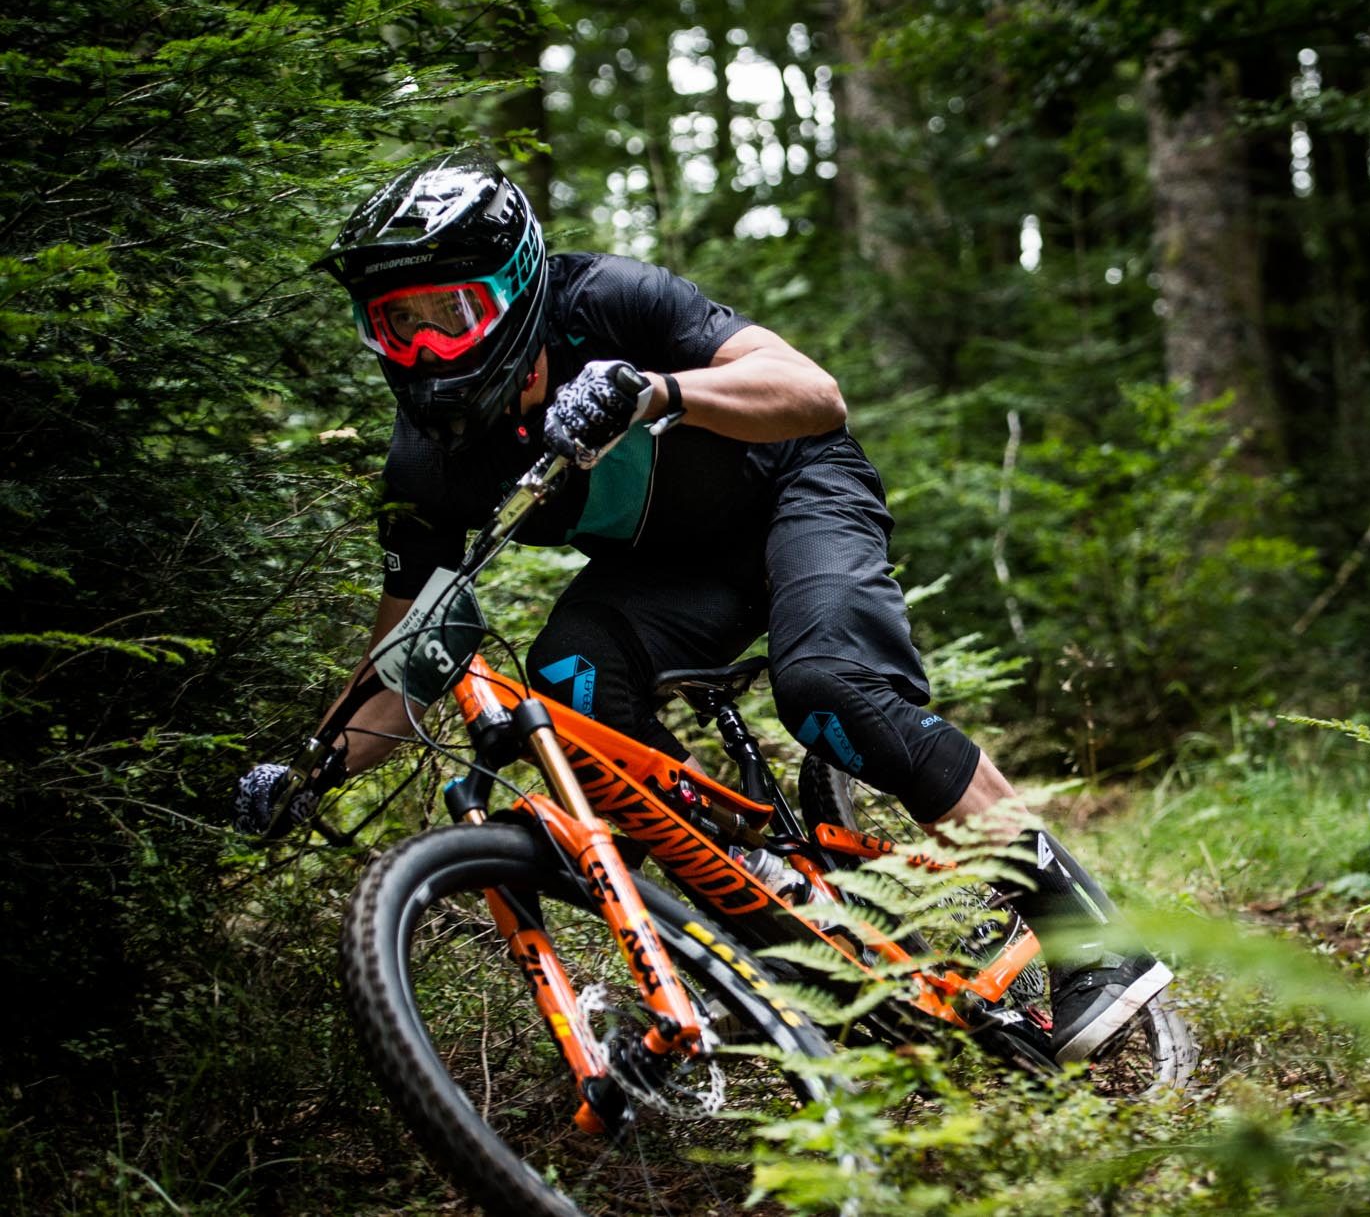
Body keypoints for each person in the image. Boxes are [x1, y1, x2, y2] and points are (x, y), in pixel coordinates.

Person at [233, 149, 1170, 1064]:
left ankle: (1089, 934)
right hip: (672, 568)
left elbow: (816, 394)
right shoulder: (425, 467)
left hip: (796, 490)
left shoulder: (606, 300)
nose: (427, 350)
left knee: (829, 687)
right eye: (397, 326)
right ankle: (766, 903)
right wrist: (313, 771)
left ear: (516, 285)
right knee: (567, 682)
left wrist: (653, 391)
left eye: (450, 315)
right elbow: (406, 660)